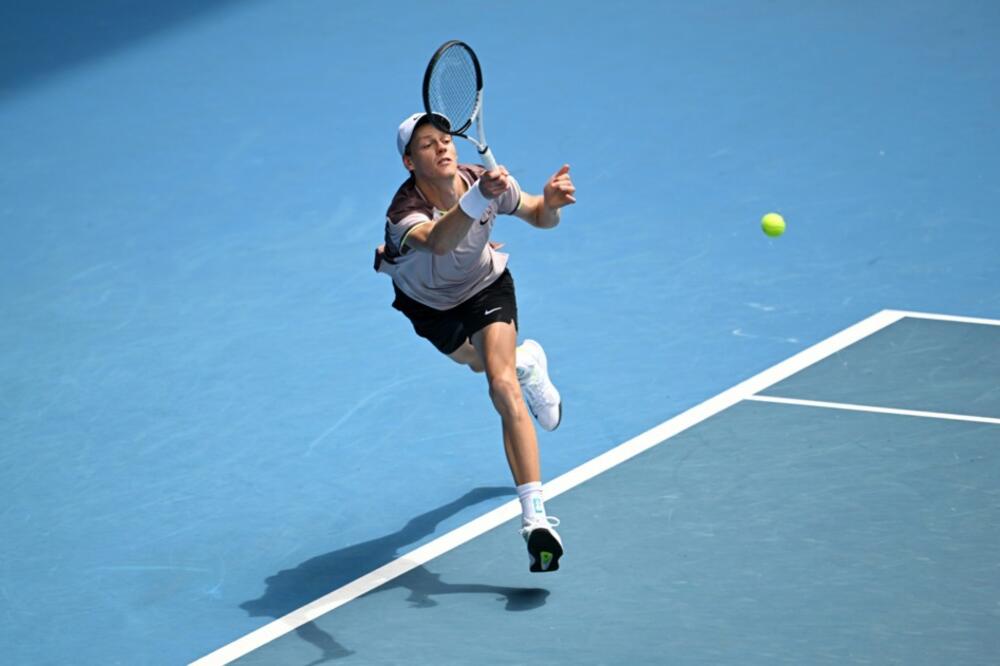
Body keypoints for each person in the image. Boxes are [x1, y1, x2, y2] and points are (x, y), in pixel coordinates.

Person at [374, 112, 576, 572]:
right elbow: (438, 242)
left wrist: (551, 203)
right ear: (409, 162)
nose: (442, 147)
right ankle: (528, 364)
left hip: (485, 286)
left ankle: (535, 519)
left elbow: (540, 217)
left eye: (446, 139)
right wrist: (477, 199)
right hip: (430, 305)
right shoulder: (402, 213)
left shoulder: (480, 180)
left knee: (500, 386)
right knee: (478, 363)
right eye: (427, 144)